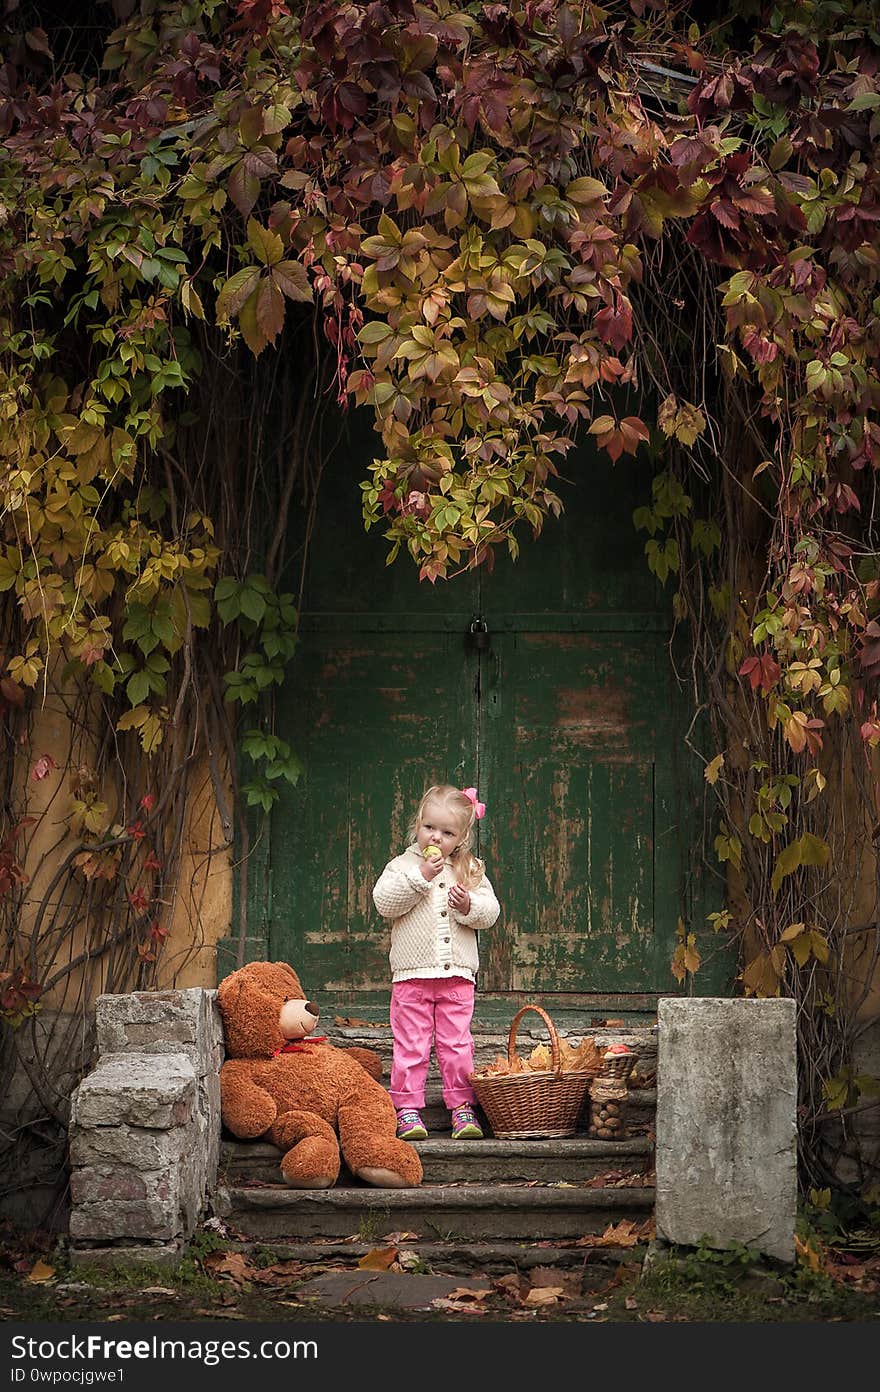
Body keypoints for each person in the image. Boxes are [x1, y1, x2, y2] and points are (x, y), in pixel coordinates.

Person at [372, 783, 501, 1141]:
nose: (437, 837)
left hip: (457, 977)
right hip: (412, 977)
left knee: (456, 1045)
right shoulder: (402, 866)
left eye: (447, 832)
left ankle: (462, 1106)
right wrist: (422, 877)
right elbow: (385, 903)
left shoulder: (470, 869)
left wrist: (468, 907)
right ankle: (408, 1109)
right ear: (418, 824)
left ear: (461, 837)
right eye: (430, 827)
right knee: (410, 1044)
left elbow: (490, 912)